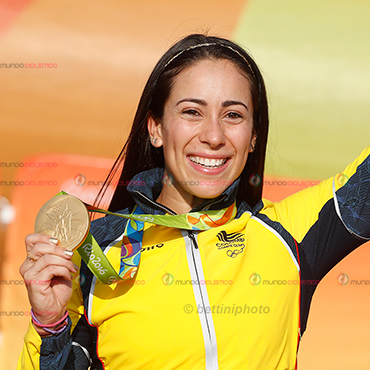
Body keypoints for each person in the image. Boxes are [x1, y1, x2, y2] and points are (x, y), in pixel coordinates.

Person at [18, 33, 370, 369]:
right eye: (191, 112)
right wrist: (50, 327)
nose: (214, 136)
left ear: (253, 137)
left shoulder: (289, 235)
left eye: (233, 115)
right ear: (155, 128)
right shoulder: (94, 258)